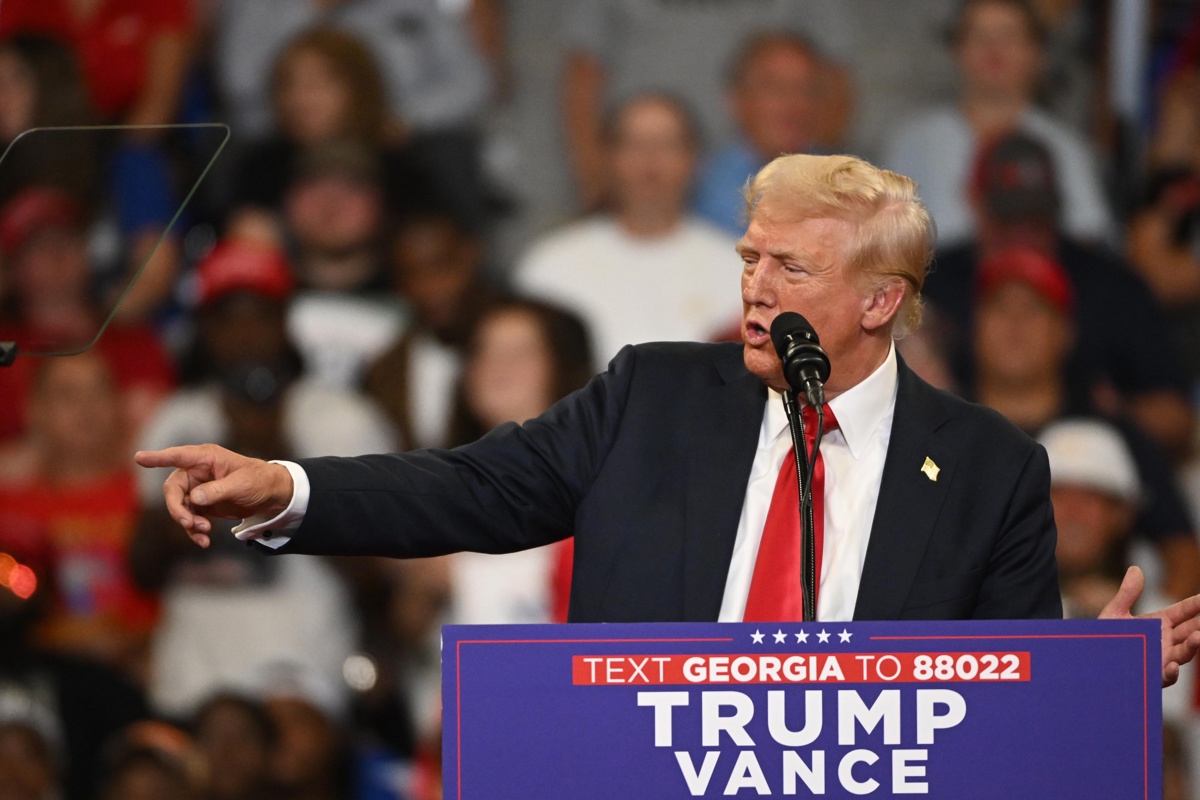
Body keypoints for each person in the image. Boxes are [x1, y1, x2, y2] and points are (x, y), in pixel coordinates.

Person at [136, 153, 1200, 687]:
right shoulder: (652, 396)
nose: (755, 288)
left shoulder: (987, 465)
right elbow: (471, 487)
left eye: (790, 266)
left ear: (881, 301)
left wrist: (1087, 682)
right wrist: (287, 487)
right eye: (748, 259)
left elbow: (1000, 689)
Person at [515, 92, 739, 365]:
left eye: (667, 144)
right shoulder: (549, 265)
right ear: (606, 158)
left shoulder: (742, 269)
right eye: (633, 144)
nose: (650, 160)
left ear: (696, 160)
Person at [882, 0, 1111, 247]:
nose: (994, 49)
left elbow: (1086, 245)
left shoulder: (1065, 148)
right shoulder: (913, 143)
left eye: (1008, 36)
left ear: (1037, 53)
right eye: (979, 37)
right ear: (956, 50)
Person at [692, 32, 836, 237]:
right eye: (776, 89)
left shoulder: (845, 181)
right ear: (737, 100)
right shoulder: (700, 186)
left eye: (807, 90)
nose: (794, 105)